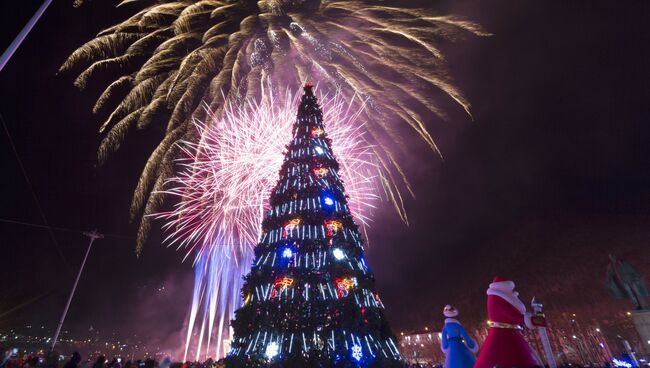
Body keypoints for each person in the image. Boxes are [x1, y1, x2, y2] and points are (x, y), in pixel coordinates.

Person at [474, 276, 542, 368]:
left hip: (510, 333)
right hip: (502, 336)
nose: (514, 292)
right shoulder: (496, 298)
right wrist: (527, 319)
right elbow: (508, 315)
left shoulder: (502, 297)